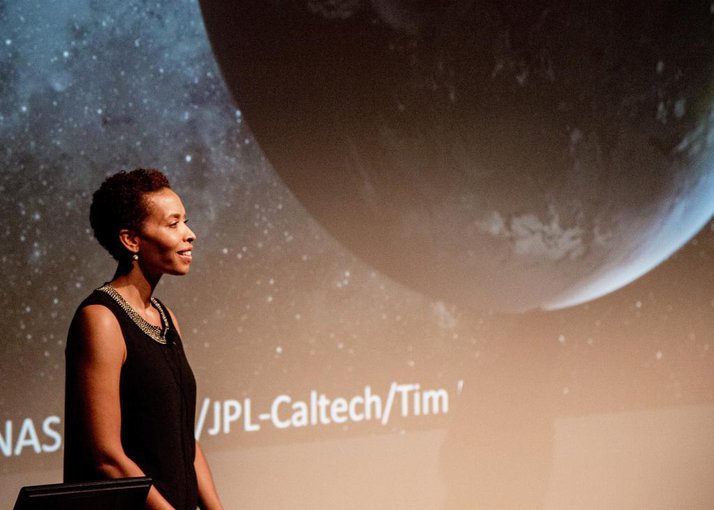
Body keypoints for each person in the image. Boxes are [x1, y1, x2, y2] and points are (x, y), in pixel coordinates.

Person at [64, 168, 223, 510]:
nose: (189, 234)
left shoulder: (166, 319)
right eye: (173, 224)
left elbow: (184, 440)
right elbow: (106, 457)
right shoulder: (101, 319)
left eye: (186, 221)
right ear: (131, 240)